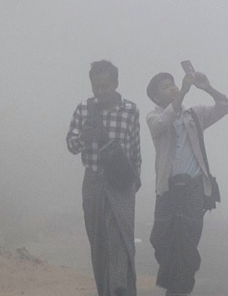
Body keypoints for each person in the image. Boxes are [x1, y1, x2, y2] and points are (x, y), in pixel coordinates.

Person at [146, 67, 228, 296]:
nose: (172, 88)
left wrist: (207, 87)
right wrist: (182, 94)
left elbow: (226, 106)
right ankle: (175, 287)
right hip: (168, 189)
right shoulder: (154, 116)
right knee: (160, 239)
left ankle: (179, 291)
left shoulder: (194, 114)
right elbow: (160, 126)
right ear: (156, 97)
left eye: (172, 83)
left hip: (194, 188)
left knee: (187, 244)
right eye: (165, 87)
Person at [66, 60, 142, 296]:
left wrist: (134, 182)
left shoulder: (130, 110)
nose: (101, 91)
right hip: (94, 181)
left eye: (105, 86)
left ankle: (121, 289)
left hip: (121, 184)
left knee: (121, 240)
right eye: (96, 87)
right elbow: (71, 144)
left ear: (116, 84)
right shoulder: (84, 109)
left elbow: (135, 149)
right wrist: (85, 138)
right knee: (99, 244)